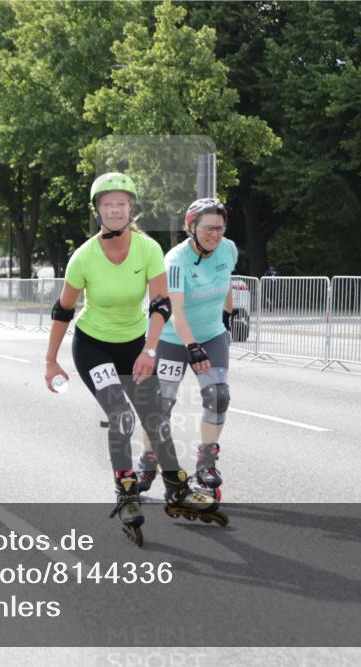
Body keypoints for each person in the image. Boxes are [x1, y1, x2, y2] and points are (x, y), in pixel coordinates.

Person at [43, 173, 227, 546]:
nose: (114, 210)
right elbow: (63, 311)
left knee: (155, 418)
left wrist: (150, 349)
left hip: (134, 343)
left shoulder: (148, 250)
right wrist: (51, 361)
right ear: (98, 211)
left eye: (121, 203)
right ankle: (126, 492)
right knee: (121, 415)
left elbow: (161, 304)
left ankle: (177, 488)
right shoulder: (84, 256)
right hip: (93, 344)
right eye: (107, 204)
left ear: (131, 209)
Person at [137, 198, 237, 502]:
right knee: (161, 405)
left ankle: (206, 463)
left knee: (218, 395)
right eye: (208, 228)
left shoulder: (228, 249)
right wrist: (192, 348)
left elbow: (225, 280)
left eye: (220, 228)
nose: (215, 234)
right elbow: (176, 311)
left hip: (211, 334)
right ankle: (148, 460)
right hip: (171, 338)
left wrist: (230, 315)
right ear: (190, 228)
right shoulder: (175, 261)